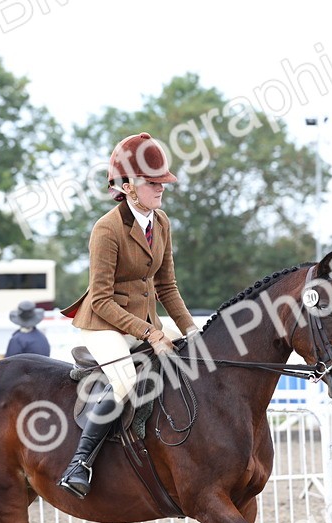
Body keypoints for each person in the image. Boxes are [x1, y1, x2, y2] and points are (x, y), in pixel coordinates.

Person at [57, 132, 200, 498]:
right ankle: (80, 463)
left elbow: (167, 286)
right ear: (128, 186)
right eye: (153, 183)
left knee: (183, 366)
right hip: (103, 323)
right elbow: (102, 299)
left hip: (142, 322)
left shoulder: (162, 223)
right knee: (123, 380)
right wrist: (151, 333)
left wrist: (191, 330)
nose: (161, 188)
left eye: (162, 182)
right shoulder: (106, 229)